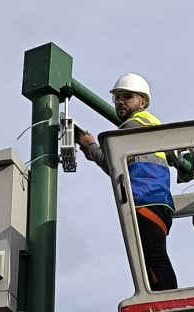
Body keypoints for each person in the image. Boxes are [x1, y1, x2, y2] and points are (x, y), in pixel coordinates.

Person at [76, 73, 178, 291]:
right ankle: (160, 298)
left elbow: (114, 165)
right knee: (151, 259)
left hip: (145, 199)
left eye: (128, 96)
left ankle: (167, 300)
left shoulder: (134, 126)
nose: (120, 101)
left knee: (155, 258)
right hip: (158, 200)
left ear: (142, 102)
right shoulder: (153, 125)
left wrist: (91, 145)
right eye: (117, 97)